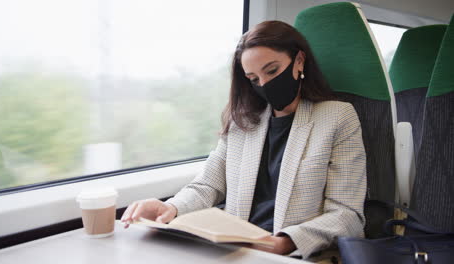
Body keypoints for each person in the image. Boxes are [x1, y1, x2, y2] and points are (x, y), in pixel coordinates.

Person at [121, 20, 366, 260]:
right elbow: (207, 186)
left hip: (293, 255)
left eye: (272, 71)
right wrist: (170, 208)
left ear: (299, 61)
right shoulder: (244, 122)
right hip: (236, 251)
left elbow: (347, 214)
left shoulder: (337, 117)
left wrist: (284, 243)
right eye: (254, 79)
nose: (265, 84)